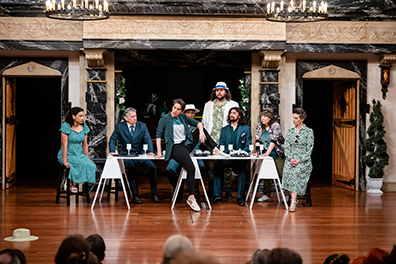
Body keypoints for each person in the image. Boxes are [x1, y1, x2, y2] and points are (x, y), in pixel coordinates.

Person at [155, 98, 225, 212]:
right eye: (174, 108)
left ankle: (215, 149)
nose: (175, 111)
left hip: (185, 145)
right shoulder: (165, 118)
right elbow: (158, 135)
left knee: (201, 130)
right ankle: (191, 197)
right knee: (190, 168)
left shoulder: (182, 117)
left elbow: (198, 123)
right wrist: (158, 152)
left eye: (178, 109)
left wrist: (201, 132)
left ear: (182, 111)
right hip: (175, 147)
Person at [109, 107, 160, 204]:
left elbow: (148, 138)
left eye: (135, 116)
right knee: (131, 169)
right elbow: (112, 139)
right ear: (126, 118)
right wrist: (112, 151)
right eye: (132, 117)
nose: (135, 118)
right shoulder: (120, 127)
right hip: (127, 155)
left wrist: (150, 151)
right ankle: (135, 195)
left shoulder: (142, 126)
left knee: (152, 168)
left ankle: (154, 194)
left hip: (140, 154)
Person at [202, 81, 239, 198]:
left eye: (221, 90)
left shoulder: (232, 104)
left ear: (226, 91)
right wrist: (203, 136)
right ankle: (212, 189)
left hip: (226, 138)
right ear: (215, 92)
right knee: (211, 167)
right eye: (217, 90)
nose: (219, 92)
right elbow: (204, 121)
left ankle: (227, 190)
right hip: (211, 138)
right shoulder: (208, 105)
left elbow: (236, 121)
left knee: (226, 166)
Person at [212, 107, 252, 206]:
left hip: (239, 158)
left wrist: (240, 152)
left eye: (234, 113)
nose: (231, 115)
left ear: (239, 116)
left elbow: (248, 145)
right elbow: (221, 144)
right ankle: (217, 195)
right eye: (230, 113)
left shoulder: (246, 129)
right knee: (217, 168)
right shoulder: (224, 129)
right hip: (226, 157)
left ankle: (240, 197)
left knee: (243, 170)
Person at [57, 107, 96, 193]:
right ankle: (72, 183)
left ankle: (73, 181)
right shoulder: (66, 126)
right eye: (80, 116)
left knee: (91, 165)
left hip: (79, 153)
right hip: (68, 153)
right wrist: (65, 161)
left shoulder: (84, 128)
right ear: (73, 116)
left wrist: (87, 158)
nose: (82, 118)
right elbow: (65, 145)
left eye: (83, 116)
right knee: (78, 163)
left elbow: (85, 145)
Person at [282, 108, 314, 212]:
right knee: (287, 171)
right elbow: (286, 147)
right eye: (293, 118)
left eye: (296, 118)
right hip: (291, 159)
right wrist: (291, 158)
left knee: (295, 173)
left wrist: (299, 160)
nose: (294, 120)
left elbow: (309, 149)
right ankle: (292, 197)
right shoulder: (290, 132)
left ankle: (293, 201)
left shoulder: (308, 132)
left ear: (302, 119)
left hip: (303, 161)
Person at [166, 104, 204, 191]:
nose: (190, 115)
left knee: (201, 166)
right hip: (180, 152)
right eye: (188, 113)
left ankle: (193, 189)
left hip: (194, 153)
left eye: (192, 113)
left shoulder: (198, 126)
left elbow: (197, 142)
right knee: (169, 169)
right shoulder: (178, 124)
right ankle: (177, 188)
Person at [254, 108, 285, 202]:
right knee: (266, 174)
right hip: (265, 155)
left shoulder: (275, 125)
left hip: (276, 153)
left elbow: (274, 140)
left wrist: (267, 153)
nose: (263, 118)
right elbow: (257, 140)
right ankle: (266, 194)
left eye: (265, 116)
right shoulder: (259, 126)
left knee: (281, 173)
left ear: (270, 118)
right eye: (262, 116)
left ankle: (285, 194)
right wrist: (259, 152)